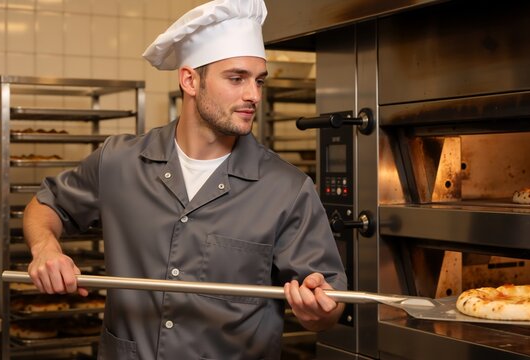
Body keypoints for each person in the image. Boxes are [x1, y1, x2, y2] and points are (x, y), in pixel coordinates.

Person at [23, 0, 347, 358]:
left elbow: (329, 304)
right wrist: (45, 248)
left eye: (258, 81)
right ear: (190, 80)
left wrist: (319, 311)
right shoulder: (119, 161)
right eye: (236, 78)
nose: (253, 95)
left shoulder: (286, 188)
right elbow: (45, 206)